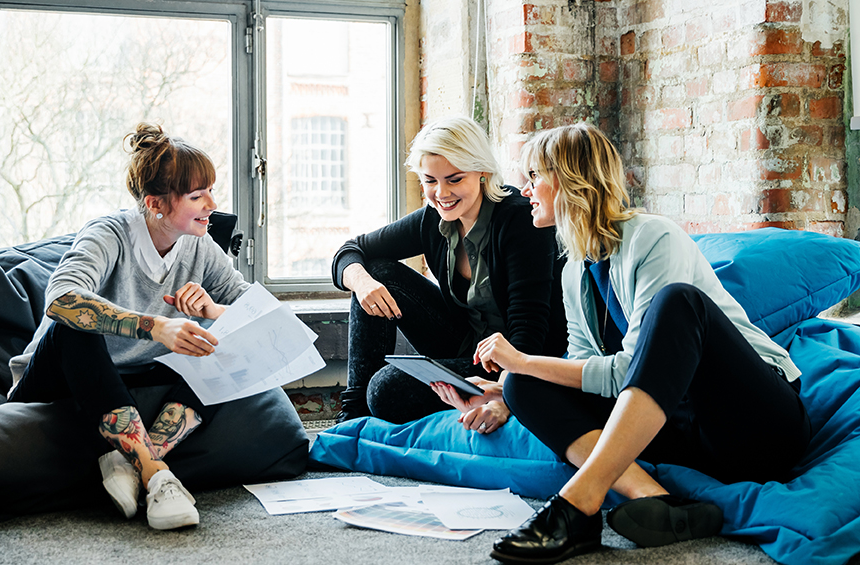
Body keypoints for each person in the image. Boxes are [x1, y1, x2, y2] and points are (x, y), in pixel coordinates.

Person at [433, 123, 812, 563]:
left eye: (535, 175)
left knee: (678, 302)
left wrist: (524, 359)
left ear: (572, 179)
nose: (525, 188)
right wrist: (512, 383)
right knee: (522, 384)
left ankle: (580, 502)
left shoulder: (654, 236)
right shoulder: (574, 270)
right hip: (680, 431)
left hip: (756, 424)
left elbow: (626, 370)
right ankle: (657, 500)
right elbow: (583, 366)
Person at [8, 123, 252, 531]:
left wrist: (212, 310)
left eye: (210, 190)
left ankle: (132, 461)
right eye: (197, 196)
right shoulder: (109, 234)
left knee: (223, 342)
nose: (212, 203)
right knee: (73, 327)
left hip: (141, 380)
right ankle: (158, 476)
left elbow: (256, 313)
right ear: (156, 203)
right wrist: (157, 327)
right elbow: (61, 300)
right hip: (61, 378)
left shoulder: (199, 242)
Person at [331, 115, 566, 431]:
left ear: (482, 172)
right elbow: (351, 250)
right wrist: (361, 282)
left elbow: (530, 329)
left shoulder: (520, 218)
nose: (441, 193)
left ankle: (371, 410)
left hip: (515, 357)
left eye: (454, 179)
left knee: (387, 389)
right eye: (430, 181)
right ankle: (353, 420)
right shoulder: (433, 218)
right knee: (376, 272)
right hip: (464, 345)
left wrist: (508, 393)